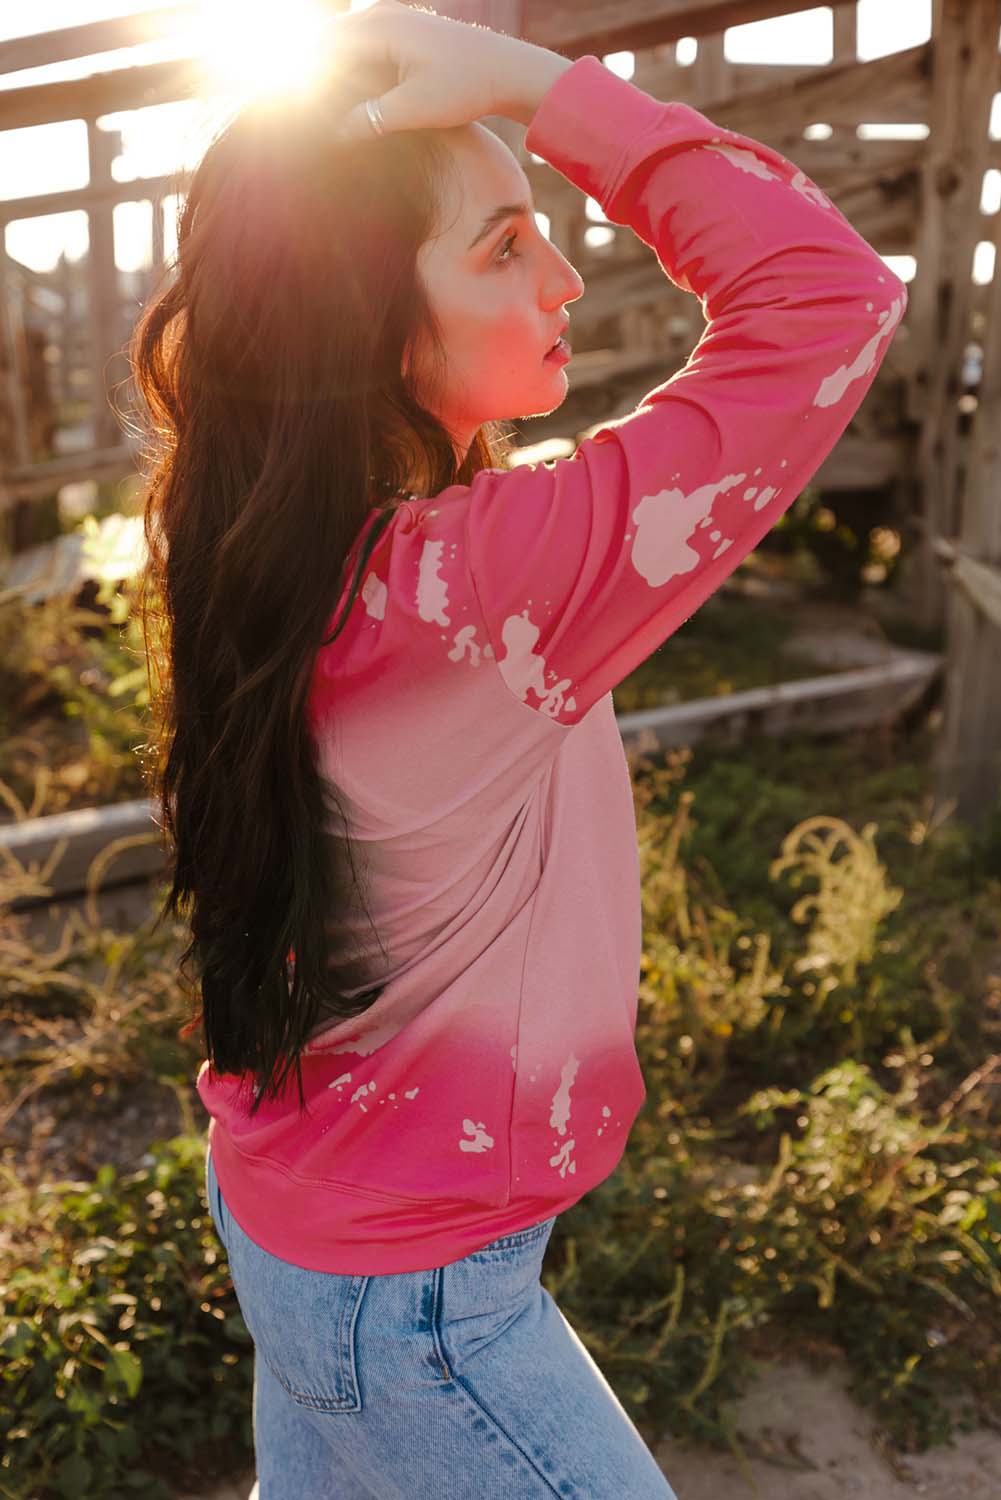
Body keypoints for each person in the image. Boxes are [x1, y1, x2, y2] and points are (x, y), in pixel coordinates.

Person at [130, 1, 907, 1494]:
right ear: (362, 325)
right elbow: (824, 295)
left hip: (310, 1218)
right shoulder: (475, 585)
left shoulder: (275, 545)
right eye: (499, 247)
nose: (562, 277)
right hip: (415, 1300)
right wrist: (539, 87)